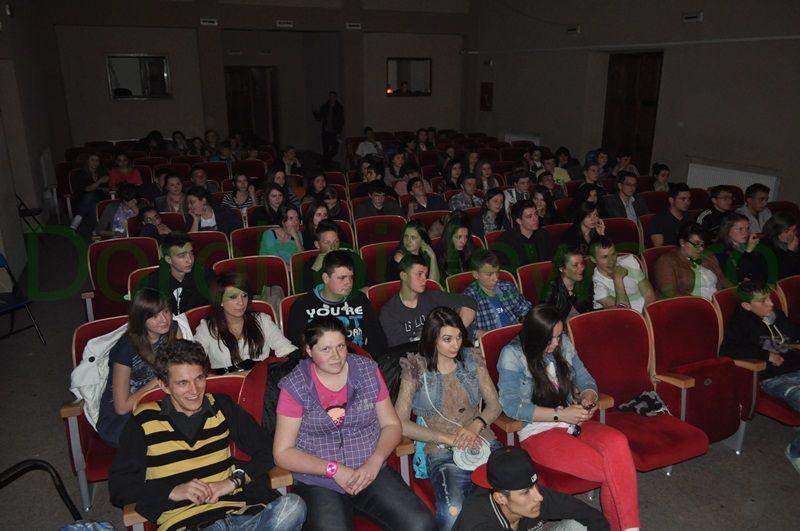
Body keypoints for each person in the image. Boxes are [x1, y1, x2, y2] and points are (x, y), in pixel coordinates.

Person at [109, 339, 307, 531]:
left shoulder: (221, 406)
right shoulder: (144, 419)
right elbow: (120, 487)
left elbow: (268, 451)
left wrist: (231, 482)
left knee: (293, 506)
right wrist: (173, 491)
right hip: (187, 523)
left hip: (241, 517)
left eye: (199, 378)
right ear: (164, 385)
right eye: (183, 383)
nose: (195, 390)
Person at [273, 316, 436, 531]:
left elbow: (391, 425)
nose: (336, 356)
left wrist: (375, 461)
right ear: (309, 350)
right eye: (326, 349)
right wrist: (333, 470)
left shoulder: (367, 371)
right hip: (319, 481)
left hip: (370, 471)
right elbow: (283, 452)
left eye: (341, 346)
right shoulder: (295, 386)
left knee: (421, 524)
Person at [498, 305, 640, 531]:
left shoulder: (562, 343)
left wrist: (588, 397)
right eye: (551, 338)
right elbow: (512, 406)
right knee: (615, 469)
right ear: (535, 335)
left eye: (559, 336)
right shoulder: (512, 354)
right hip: (538, 431)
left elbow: (585, 378)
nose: (557, 343)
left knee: (618, 442)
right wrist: (560, 414)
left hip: (573, 420)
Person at [395, 307, 502, 530]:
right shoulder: (415, 367)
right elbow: (400, 423)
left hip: (482, 440)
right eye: (447, 339)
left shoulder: (472, 358)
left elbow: (495, 404)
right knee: (453, 512)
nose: (456, 345)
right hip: (442, 450)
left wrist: (476, 425)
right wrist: (447, 438)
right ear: (432, 338)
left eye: (459, 337)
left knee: (513, 493)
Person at [720, 280, 800, 474]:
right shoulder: (742, 323)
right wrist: (766, 355)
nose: (771, 303)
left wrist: (792, 344)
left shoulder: (776, 316)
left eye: (770, 298)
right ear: (747, 306)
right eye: (763, 301)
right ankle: (795, 452)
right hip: (774, 378)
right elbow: (727, 350)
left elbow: (793, 335)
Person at [96, 288, 183, 446]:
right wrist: (159, 380)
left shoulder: (173, 330)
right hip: (124, 418)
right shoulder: (126, 349)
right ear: (141, 319)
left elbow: (181, 368)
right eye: (154, 316)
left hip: (159, 401)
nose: (164, 319)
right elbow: (122, 407)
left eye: (166, 312)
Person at [452, 445, 609, 531]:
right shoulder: (479, 524)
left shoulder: (534, 496)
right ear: (500, 498)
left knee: (580, 527)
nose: (538, 497)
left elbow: (594, 518)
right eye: (526, 492)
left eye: (534, 486)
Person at [286, 250, 387, 361]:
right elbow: (298, 348)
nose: (349, 283)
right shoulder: (303, 306)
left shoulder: (359, 300)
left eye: (351, 277)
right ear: (326, 278)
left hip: (359, 362)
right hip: (320, 365)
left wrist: (369, 362)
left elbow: (378, 340)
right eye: (342, 278)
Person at [195, 271, 298, 372]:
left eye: (244, 296)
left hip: (260, 379)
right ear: (220, 301)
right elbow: (192, 361)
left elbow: (287, 350)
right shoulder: (207, 328)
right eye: (233, 297)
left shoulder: (262, 320)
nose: (241, 302)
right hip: (227, 381)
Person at [380, 254, 477, 349]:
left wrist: (455, 332)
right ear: (404, 276)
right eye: (419, 274)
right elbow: (402, 349)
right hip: (416, 356)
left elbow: (469, 302)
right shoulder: (389, 312)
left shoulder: (432, 296)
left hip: (444, 350)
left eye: (425, 275)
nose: (424, 279)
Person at [464, 250, 532, 338]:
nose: (495, 279)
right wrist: (480, 334)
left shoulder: (507, 287)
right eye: (489, 274)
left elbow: (526, 310)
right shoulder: (469, 296)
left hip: (515, 337)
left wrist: (527, 322)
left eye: (497, 272)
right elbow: (463, 327)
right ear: (475, 274)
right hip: (490, 341)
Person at [653, 223, 730, 299]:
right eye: (696, 244)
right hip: (691, 304)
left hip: (717, 301)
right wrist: (705, 303)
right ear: (682, 242)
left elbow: (723, 280)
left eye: (702, 244)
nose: (701, 249)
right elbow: (670, 293)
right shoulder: (666, 261)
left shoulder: (708, 256)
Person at [146, 232, 214, 315]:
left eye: (191, 253)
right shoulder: (153, 283)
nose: (190, 260)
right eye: (182, 256)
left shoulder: (206, 276)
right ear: (168, 259)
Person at [590, 236, 655, 314]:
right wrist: (618, 279)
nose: (611, 261)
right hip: (626, 320)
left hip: (648, 313)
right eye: (605, 257)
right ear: (593, 259)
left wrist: (646, 317)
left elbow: (650, 296)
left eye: (613, 254)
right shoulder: (598, 285)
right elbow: (624, 312)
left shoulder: (629, 261)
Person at [494, 199, 553, 271]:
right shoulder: (506, 240)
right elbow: (503, 269)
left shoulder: (543, 234)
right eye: (529, 216)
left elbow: (551, 261)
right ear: (519, 221)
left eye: (536, 214)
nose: (535, 219)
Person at [713, 212, 770, 284]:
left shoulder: (751, 244)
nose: (745, 233)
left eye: (747, 228)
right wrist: (748, 252)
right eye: (740, 229)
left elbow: (764, 271)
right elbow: (738, 277)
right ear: (727, 230)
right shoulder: (720, 250)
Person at [544, 245, 594, 320]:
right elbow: (546, 320)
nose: (582, 268)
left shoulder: (586, 283)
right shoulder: (550, 289)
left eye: (582, 263)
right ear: (562, 268)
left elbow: (590, 312)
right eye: (575, 265)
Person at [69, 153, 110, 230]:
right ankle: (96, 229)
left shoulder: (103, 171)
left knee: (92, 197)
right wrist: (99, 182)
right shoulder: (81, 173)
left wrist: (97, 187)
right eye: (92, 160)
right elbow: (86, 189)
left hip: (100, 196)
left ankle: (78, 219)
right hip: (83, 198)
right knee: (92, 200)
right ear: (87, 161)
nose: (95, 162)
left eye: (97, 160)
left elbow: (108, 188)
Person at [300, 220, 342, 293]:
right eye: (327, 243)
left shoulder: (348, 259)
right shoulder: (311, 265)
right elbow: (308, 293)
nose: (333, 247)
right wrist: (315, 270)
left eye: (336, 242)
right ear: (317, 245)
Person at [648, 182, 692, 246]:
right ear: (671, 200)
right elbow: (658, 247)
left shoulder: (689, 217)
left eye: (689, 199)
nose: (687, 202)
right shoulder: (658, 220)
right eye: (683, 199)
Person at [437, 217, 478, 283]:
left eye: (466, 236)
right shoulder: (440, 255)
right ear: (449, 237)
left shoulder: (469, 249)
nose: (463, 241)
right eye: (459, 237)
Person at [761, 211, 800, 279]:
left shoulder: (794, 242)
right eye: (786, 231)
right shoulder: (766, 245)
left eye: (794, 230)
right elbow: (781, 274)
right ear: (777, 230)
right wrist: (791, 252)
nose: (791, 234)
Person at [313, 91, 344, 164]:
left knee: (335, 149)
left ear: (335, 97)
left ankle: (324, 161)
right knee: (325, 149)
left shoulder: (339, 107)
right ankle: (326, 164)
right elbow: (319, 118)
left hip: (335, 131)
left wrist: (339, 131)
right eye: (330, 96)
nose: (332, 98)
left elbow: (341, 120)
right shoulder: (325, 107)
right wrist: (315, 113)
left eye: (333, 96)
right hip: (326, 131)